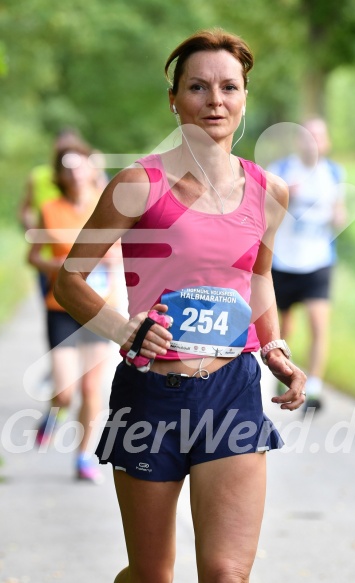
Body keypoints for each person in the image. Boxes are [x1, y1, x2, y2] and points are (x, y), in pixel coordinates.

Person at [54, 28, 306, 582]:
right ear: (174, 99)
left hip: (232, 392)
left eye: (229, 87)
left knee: (225, 574)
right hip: (152, 394)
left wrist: (275, 348)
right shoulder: (136, 184)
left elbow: (257, 277)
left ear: (244, 99)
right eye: (198, 86)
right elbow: (69, 281)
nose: (215, 100)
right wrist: (125, 332)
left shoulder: (270, 191)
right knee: (152, 575)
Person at [28, 141, 117, 483]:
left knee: (93, 389)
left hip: (98, 308)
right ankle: (54, 412)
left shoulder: (106, 205)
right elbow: (33, 256)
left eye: (81, 166)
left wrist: (112, 259)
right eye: (68, 168)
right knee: (66, 391)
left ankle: (83, 458)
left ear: (92, 170)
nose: (76, 173)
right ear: (60, 176)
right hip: (61, 306)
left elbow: (122, 251)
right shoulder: (50, 209)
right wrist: (61, 266)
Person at [268, 118, 346, 411]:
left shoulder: (335, 172)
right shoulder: (281, 170)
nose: (313, 142)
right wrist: (286, 196)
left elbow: (339, 210)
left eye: (319, 137)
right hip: (284, 260)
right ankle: (284, 371)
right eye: (308, 136)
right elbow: (264, 212)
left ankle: (314, 388)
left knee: (318, 324)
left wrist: (339, 216)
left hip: (319, 260)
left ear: (326, 142)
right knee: (284, 326)